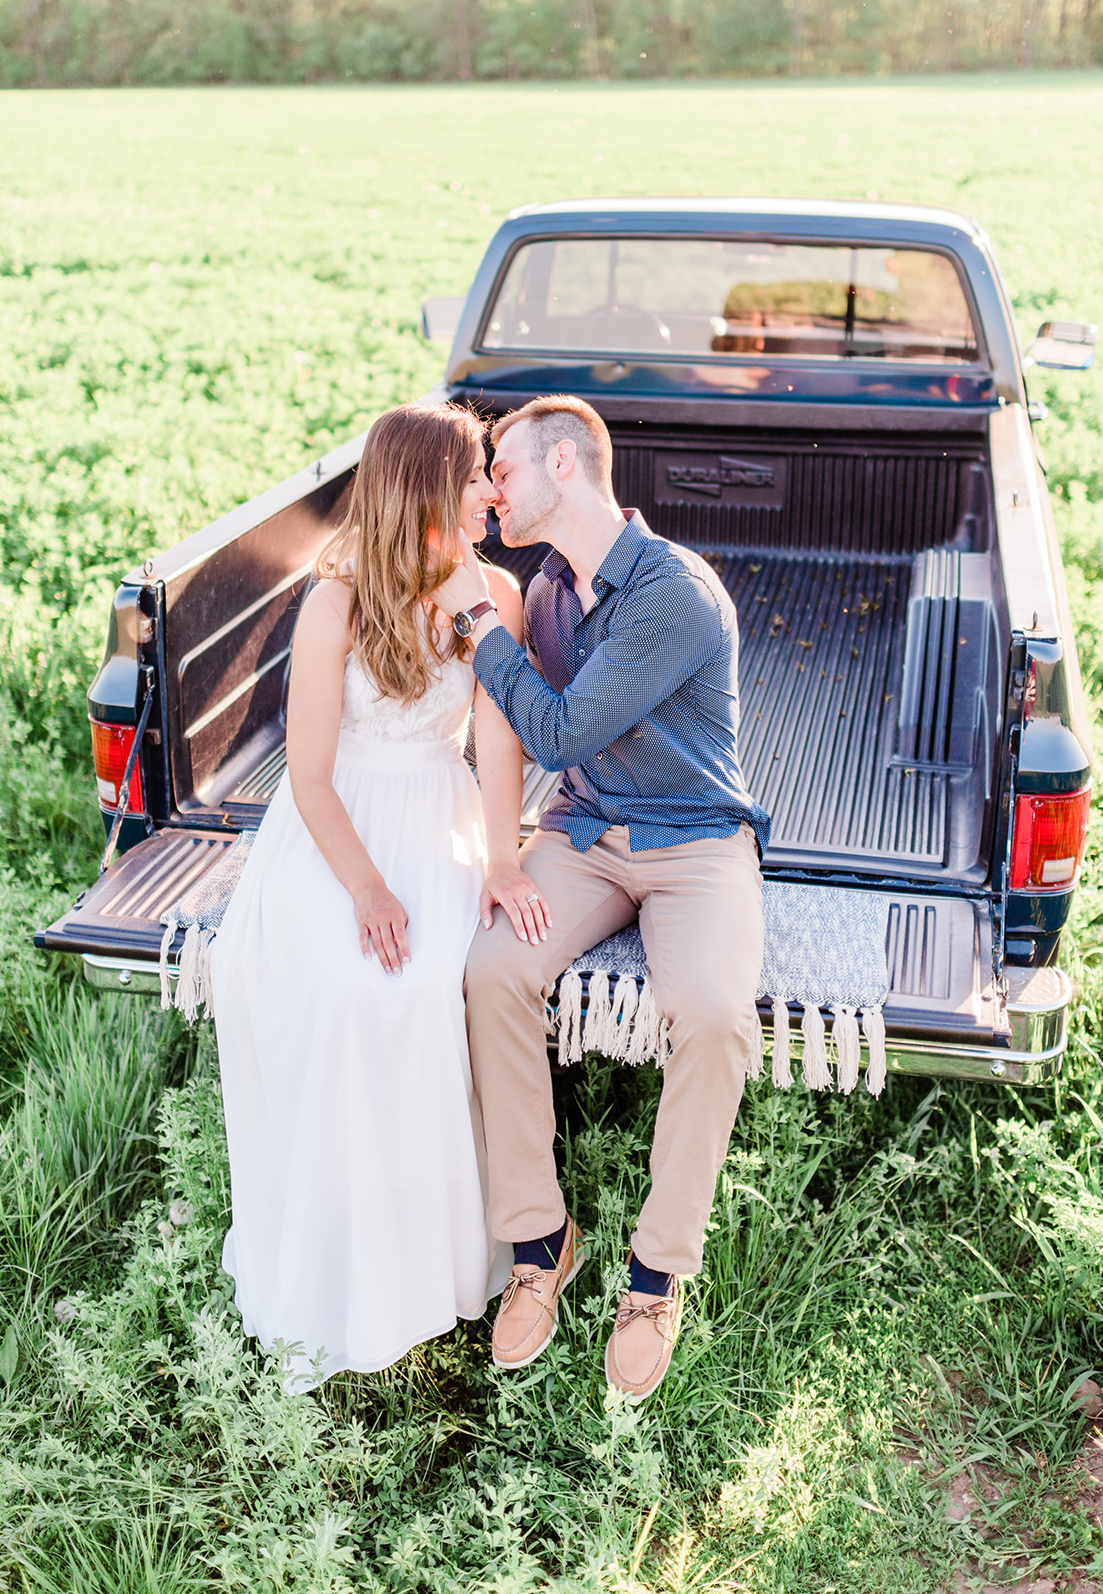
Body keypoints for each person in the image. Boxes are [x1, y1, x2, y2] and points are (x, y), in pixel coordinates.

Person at [434, 394, 771, 1404]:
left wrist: (475, 626)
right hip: (582, 832)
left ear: (567, 465)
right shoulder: (545, 585)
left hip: (694, 843)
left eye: (505, 466)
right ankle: (539, 1243)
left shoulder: (671, 591)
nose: (493, 486)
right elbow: (535, 738)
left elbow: (563, 727)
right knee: (492, 969)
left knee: (712, 1017)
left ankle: (656, 1275)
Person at [211, 402, 544, 1388]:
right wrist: (365, 889)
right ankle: (336, 1253)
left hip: (434, 810)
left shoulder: (496, 593)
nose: (493, 490)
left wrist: (499, 858)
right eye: (477, 474)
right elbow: (307, 771)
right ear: (424, 494)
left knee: (437, 989)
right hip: (338, 827)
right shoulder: (336, 603)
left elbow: (494, 740)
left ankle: (426, 1260)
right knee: (343, 989)